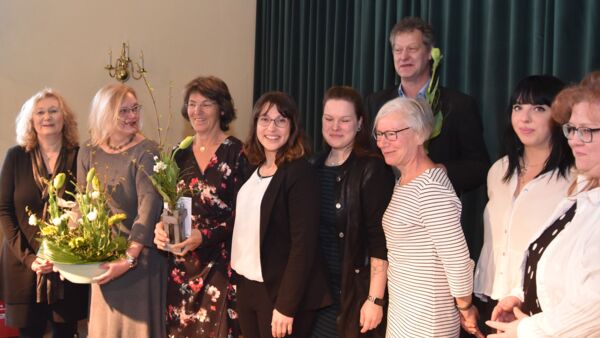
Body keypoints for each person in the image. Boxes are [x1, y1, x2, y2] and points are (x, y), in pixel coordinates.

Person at [486, 78, 600, 336]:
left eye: (587, 131)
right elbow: (548, 258)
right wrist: (519, 294)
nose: (574, 141)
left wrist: (524, 329)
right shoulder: (582, 191)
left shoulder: (572, 181)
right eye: (571, 129)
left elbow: (594, 307)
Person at [473, 75, 573, 333]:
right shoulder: (499, 170)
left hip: (541, 305)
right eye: (518, 107)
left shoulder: (574, 179)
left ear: (559, 115)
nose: (524, 118)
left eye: (538, 109)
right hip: (493, 297)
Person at [374, 97, 478, 337]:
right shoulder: (404, 182)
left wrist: (465, 306)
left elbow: (457, 260)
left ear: (420, 135)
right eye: (379, 135)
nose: (383, 143)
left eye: (392, 134)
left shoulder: (431, 188)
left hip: (428, 321)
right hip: (404, 314)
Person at [231, 91, 331, 338]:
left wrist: (286, 306)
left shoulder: (299, 173)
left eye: (280, 120)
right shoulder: (253, 168)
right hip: (248, 287)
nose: (271, 127)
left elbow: (303, 246)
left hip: (280, 293)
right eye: (264, 119)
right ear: (255, 124)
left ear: (292, 126)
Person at [153, 76, 246, 337]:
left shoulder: (239, 153)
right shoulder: (177, 155)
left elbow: (244, 218)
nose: (197, 111)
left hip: (221, 266)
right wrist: (161, 227)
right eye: (192, 104)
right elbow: (169, 205)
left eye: (206, 104)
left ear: (222, 108)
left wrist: (203, 237)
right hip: (181, 267)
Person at [77, 83, 166, 338]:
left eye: (135, 109)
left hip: (138, 263)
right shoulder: (88, 151)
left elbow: (148, 211)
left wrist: (127, 260)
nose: (132, 116)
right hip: (103, 262)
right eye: (123, 111)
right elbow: (83, 206)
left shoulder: (148, 151)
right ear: (105, 114)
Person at [364, 16, 489, 195]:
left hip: (435, 211)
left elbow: (479, 167)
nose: (404, 56)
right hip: (385, 210)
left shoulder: (459, 105)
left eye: (412, 49)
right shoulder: (375, 103)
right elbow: (369, 159)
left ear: (430, 53)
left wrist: (439, 171)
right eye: (398, 50)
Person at [0, 89, 88, 338]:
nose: (47, 117)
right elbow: (4, 211)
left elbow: (86, 208)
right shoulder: (16, 157)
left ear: (65, 118)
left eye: (53, 110)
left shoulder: (79, 156)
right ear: (31, 120)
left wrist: (61, 255)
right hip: (22, 265)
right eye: (40, 112)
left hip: (66, 269)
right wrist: (30, 259)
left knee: (65, 333)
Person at [309, 86, 394, 338]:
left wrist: (375, 300)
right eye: (329, 119)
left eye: (345, 120)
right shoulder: (312, 166)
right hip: (318, 295)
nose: (335, 127)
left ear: (359, 124)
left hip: (355, 294)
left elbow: (381, 241)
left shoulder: (372, 169)